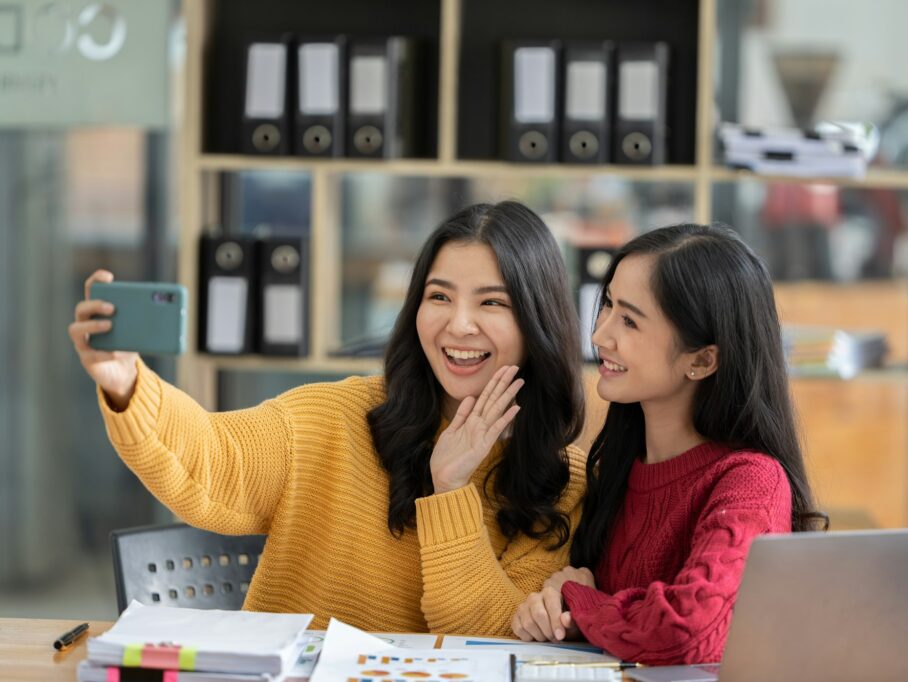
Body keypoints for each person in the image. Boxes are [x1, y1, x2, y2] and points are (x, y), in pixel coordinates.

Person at [69, 201, 587, 634]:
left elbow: (492, 640)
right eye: (439, 297)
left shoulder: (567, 483)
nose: (459, 324)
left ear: (536, 319)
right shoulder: (337, 416)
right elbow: (212, 459)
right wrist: (128, 385)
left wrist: (449, 488)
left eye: (491, 302)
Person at [511, 223, 827, 664]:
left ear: (701, 360)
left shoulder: (751, 483)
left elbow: (684, 632)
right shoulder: (615, 471)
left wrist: (582, 603)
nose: (600, 335)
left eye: (629, 320)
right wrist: (552, 607)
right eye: (607, 305)